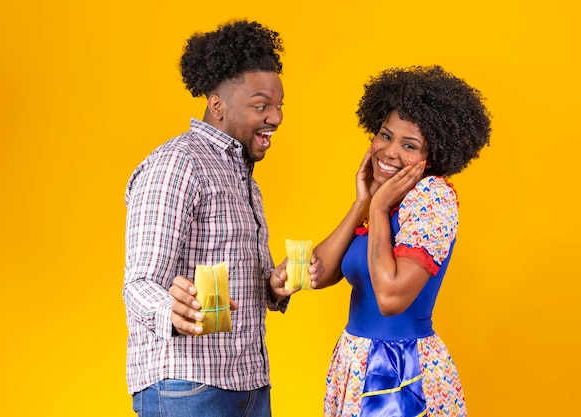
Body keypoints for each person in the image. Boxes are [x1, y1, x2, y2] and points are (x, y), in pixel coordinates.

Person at [123, 19, 321, 417]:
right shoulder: (178, 164)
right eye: (261, 105)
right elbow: (138, 284)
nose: (276, 117)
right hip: (188, 386)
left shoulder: (242, 176)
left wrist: (274, 285)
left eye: (279, 105)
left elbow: (244, 284)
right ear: (218, 105)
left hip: (247, 383)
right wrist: (172, 312)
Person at [311, 65, 491, 417]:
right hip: (356, 361)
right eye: (385, 135)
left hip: (400, 369)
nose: (390, 152)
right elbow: (316, 273)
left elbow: (391, 298)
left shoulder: (432, 197)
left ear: (432, 156)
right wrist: (362, 202)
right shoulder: (386, 197)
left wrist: (377, 209)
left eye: (409, 145)